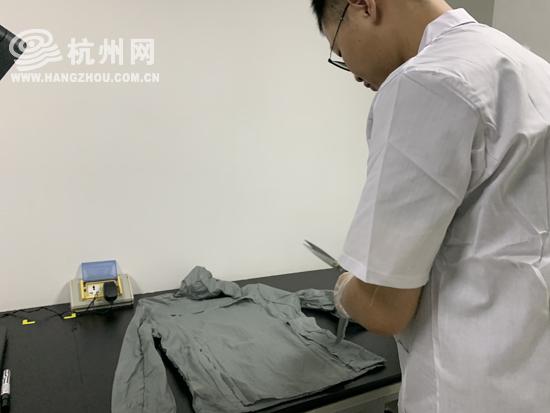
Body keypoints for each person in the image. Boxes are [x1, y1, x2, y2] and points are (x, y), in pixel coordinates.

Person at [311, 0, 550, 411]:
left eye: (339, 50)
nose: (351, 72)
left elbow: (384, 307)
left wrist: (345, 288)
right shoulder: (532, 68)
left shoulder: (424, 81)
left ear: (364, 6)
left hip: (467, 390)